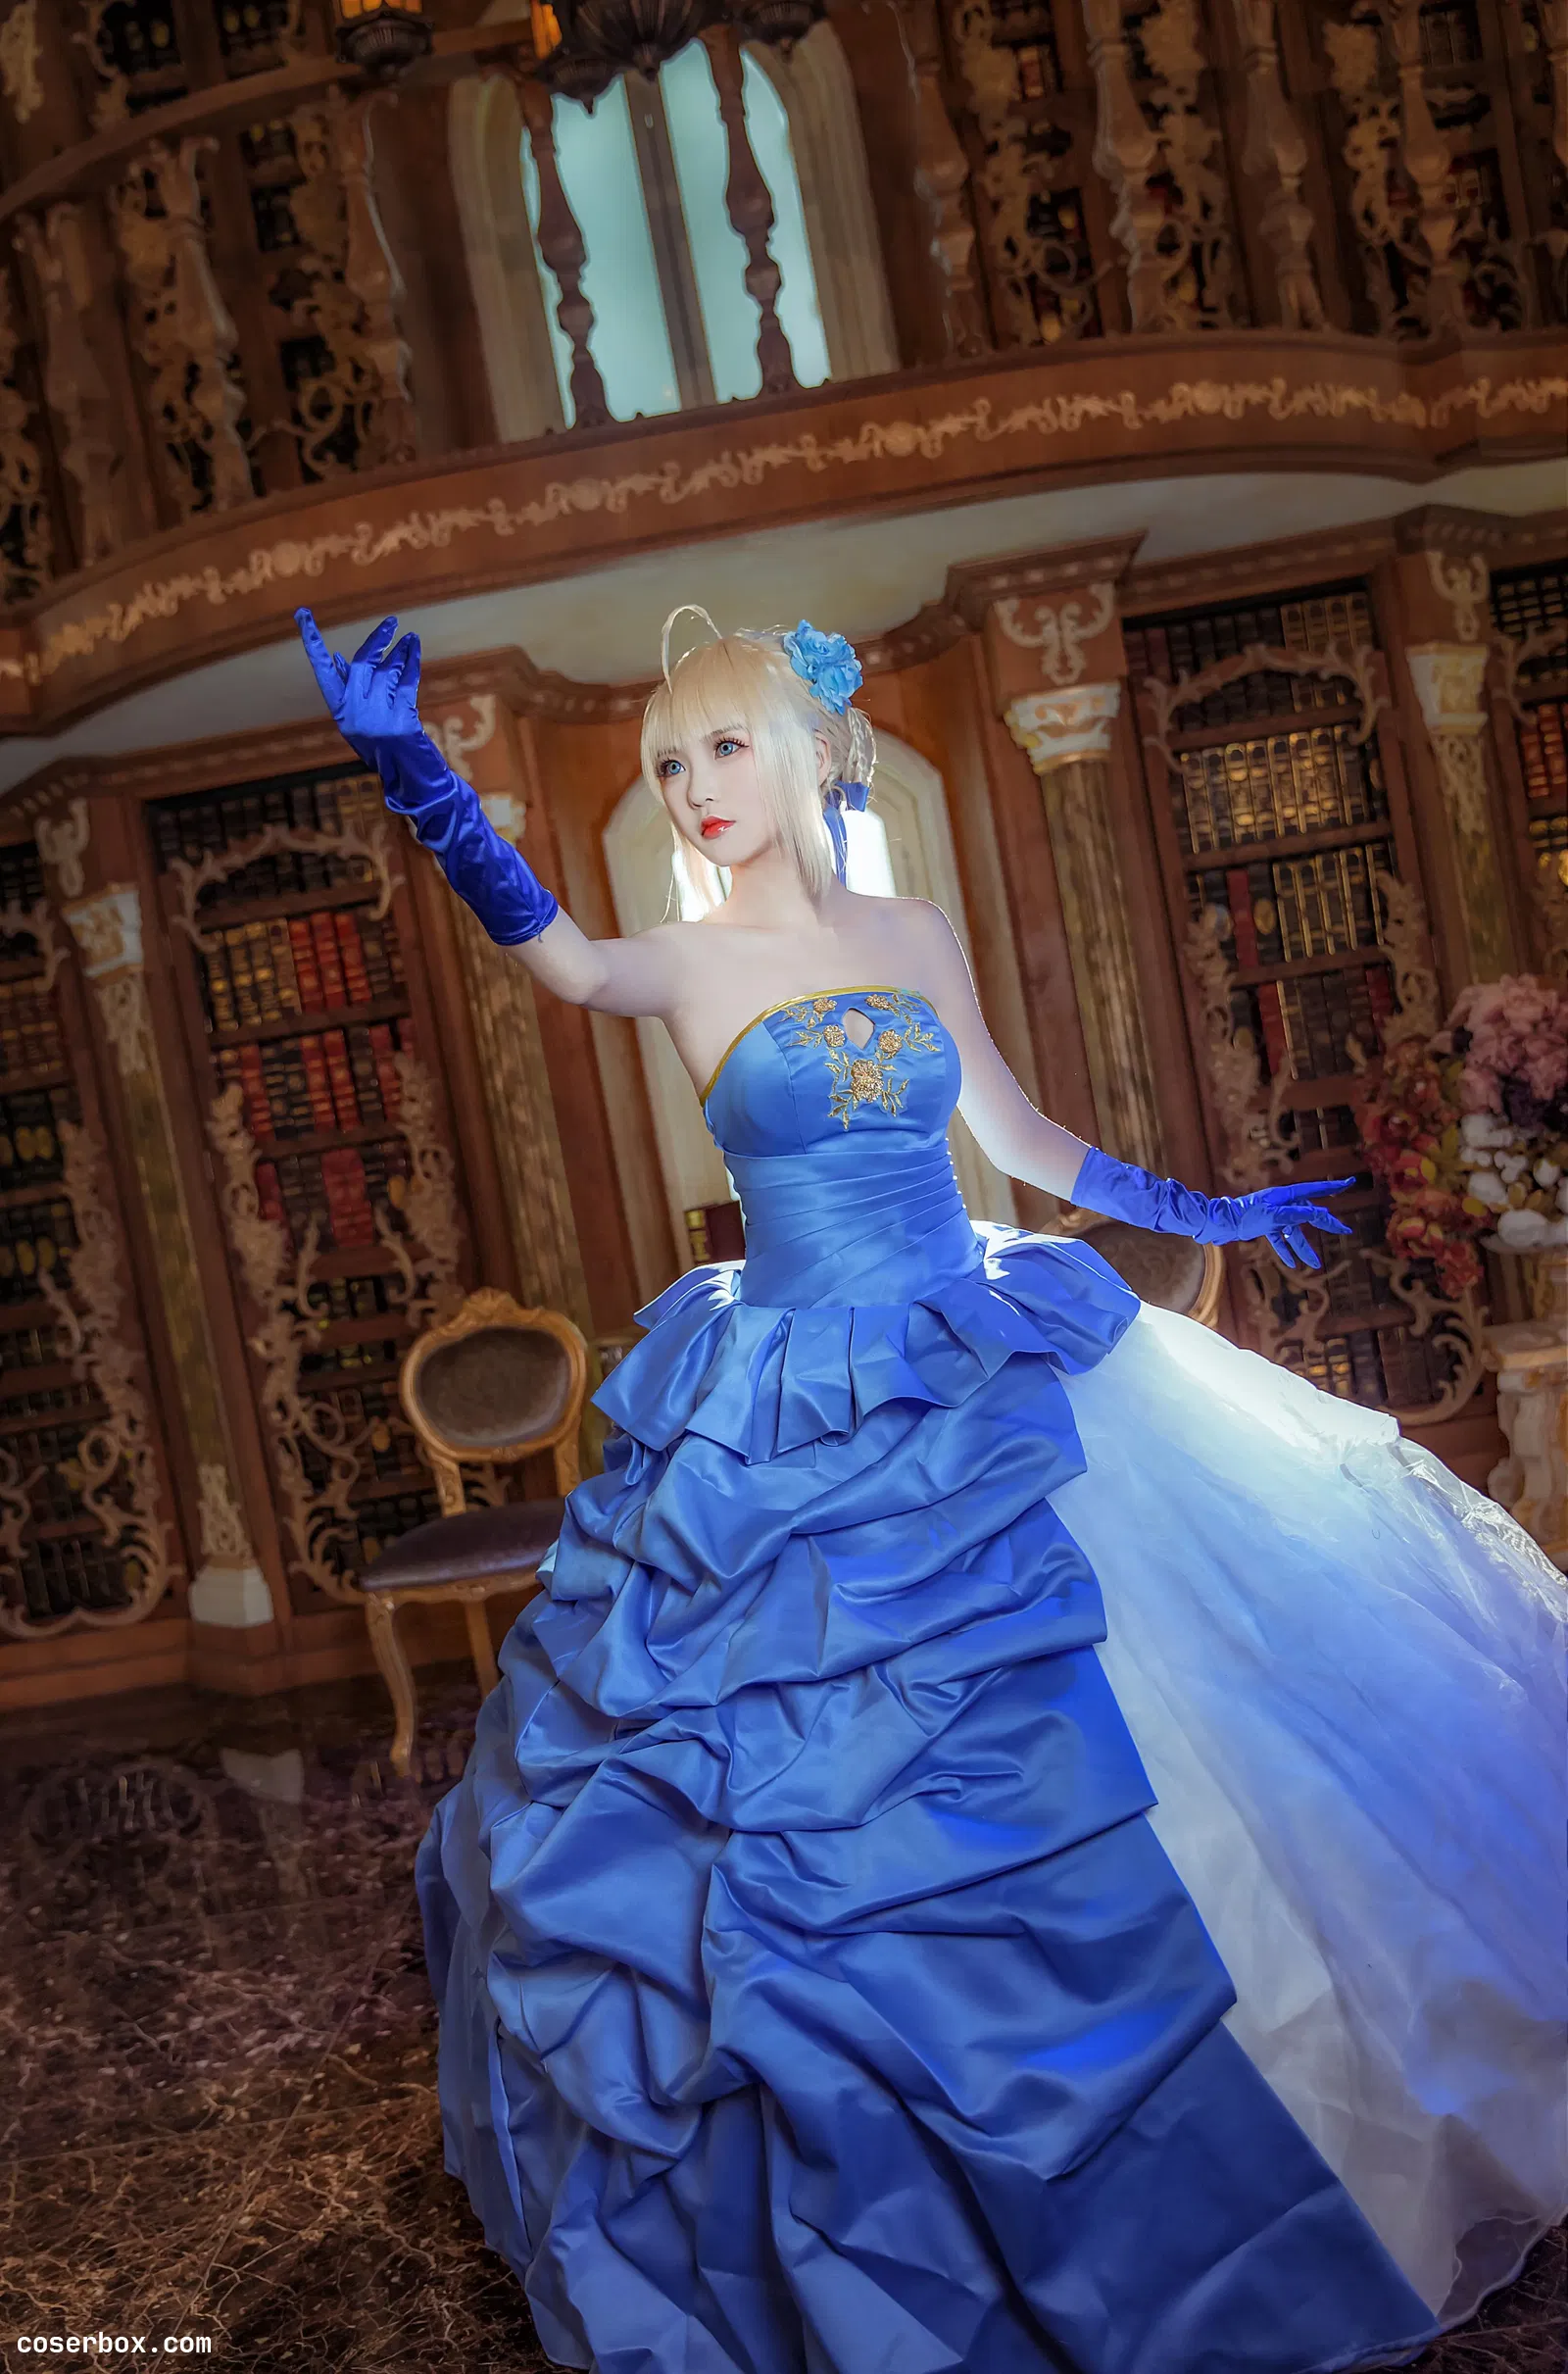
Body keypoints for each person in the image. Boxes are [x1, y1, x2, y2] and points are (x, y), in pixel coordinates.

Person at [298, 603, 1567, 2374]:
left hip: (965, 1343)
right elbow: (561, 961)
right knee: (786, 1795)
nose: (693, 785)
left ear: (799, 754)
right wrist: (417, 775)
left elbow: (1021, 1140)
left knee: (1144, 1722)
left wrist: (1200, 1207)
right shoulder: (679, 960)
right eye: (668, 762)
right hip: (787, 1392)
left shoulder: (910, 930)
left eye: (721, 746)